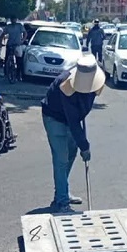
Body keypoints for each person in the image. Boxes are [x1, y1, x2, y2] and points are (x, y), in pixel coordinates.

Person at [41, 54, 105, 214]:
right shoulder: (66, 85)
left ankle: (62, 191)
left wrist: (81, 145)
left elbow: (81, 111)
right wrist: (85, 146)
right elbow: (73, 121)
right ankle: (62, 202)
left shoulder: (95, 80)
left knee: (71, 154)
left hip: (71, 119)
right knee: (61, 159)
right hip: (54, 117)